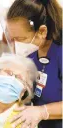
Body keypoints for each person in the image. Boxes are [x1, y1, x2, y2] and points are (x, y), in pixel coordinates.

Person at [6, 0, 62, 128]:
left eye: (20, 39)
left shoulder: (60, 54)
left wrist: (43, 111)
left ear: (42, 31)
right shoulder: (32, 54)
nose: (17, 44)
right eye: (13, 38)